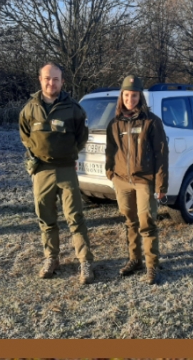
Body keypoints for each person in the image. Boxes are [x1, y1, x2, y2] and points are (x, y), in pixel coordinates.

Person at [19, 63, 93, 284]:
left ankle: (85, 262)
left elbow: (81, 137)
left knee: (75, 217)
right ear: (40, 80)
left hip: (66, 169)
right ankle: (51, 258)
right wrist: (35, 154)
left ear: (62, 82)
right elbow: (25, 135)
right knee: (46, 218)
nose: (51, 83)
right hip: (41, 171)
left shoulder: (74, 109)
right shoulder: (30, 109)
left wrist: (69, 154)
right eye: (47, 78)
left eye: (56, 79)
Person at [104, 75, 168, 284]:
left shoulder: (152, 121)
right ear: (121, 96)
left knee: (146, 222)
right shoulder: (115, 123)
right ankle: (135, 259)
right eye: (126, 95)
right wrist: (110, 173)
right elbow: (110, 150)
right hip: (122, 180)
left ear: (140, 97)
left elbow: (161, 154)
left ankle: (151, 265)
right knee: (130, 221)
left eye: (134, 95)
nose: (130, 99)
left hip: (144, 181)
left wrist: (161, 184)